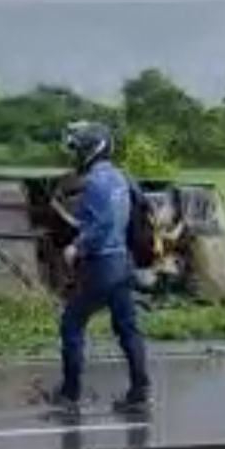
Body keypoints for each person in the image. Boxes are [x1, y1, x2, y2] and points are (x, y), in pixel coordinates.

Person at [52, 122, 151, 414]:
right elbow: (139, 213)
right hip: (122, 262)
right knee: (127, 328)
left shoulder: (94, 182)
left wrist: (76, 247)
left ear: (91, 149)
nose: (75, 154)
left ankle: (70, 394)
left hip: (100, 265)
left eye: (78, 148)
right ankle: (139, 390)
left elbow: (102, 224)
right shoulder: (122, 178)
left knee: (71, 324)